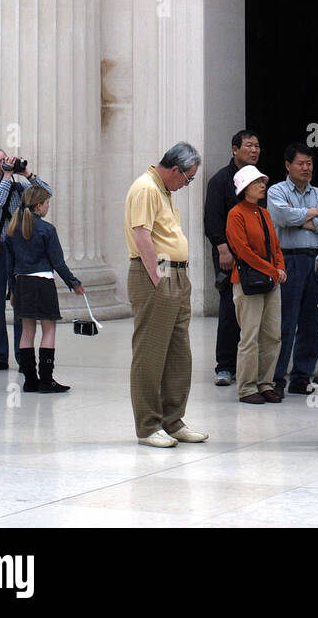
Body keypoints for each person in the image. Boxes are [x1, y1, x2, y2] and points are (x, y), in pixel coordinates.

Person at [124, 143, 208, 448]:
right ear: (175, 170)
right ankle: (148, 426)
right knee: (151, 352)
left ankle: (173, 420)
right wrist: (157, 276)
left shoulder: (164, 191)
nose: (187, 184)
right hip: (156, 273)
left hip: (176, 273)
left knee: (178, 352)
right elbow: (141, 234)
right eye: (187, 178)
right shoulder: (146, 188)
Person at [0, 150, 51, 372]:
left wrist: (26, 172)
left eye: (6, 159)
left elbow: (45, 194)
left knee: (21, 306)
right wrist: (6, 177)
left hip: (19, 251)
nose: (4, 163)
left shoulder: (21, 188)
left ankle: (22, 355)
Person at [3, 184, 84, 392]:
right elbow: (57, 262)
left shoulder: (12, 229)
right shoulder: (47, 229)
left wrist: (12, 290)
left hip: (22, 283)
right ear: (39, 205)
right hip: (43, 283)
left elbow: (9, 265)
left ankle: (30, 381)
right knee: (48, 330)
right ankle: (47, 380)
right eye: (47, 203)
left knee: (27, 331)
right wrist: (73, 282)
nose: (48, 207)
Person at [267, 142, 318, 396]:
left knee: (311, 322)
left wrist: (303, 219)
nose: (306, 168)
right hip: (288, 260)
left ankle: (302, 376)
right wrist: (311, 215)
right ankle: (277, 378)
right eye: (301, 163)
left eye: (309, 163)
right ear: (288, 166)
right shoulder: (276, 190)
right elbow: (281, 217)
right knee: (286, 323)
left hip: (315, 260)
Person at [204, 129, 261, 387]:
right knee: (229, 309)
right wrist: (222, 249)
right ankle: (224, 366)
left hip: (255, 256)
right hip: (230, 255)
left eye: (257, 146)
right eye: (249, 145)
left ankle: (248, 364)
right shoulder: (219, 180)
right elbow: (212, 220)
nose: (254, 150)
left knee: (254, 310)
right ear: (235, 149)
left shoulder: (259, 181)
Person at [226, 167, 287, 403]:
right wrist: (273, 270)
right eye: (257, 182)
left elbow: (275, 245)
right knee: (249, 336)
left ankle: (265, 383)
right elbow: (242, 251)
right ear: (245, 188)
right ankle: (247, 387)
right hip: (248, 282)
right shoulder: (236, 214)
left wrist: (279, 267)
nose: (262, 185)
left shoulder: (264, 213)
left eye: (262, 181)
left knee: (272, 335)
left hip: (270, 281)